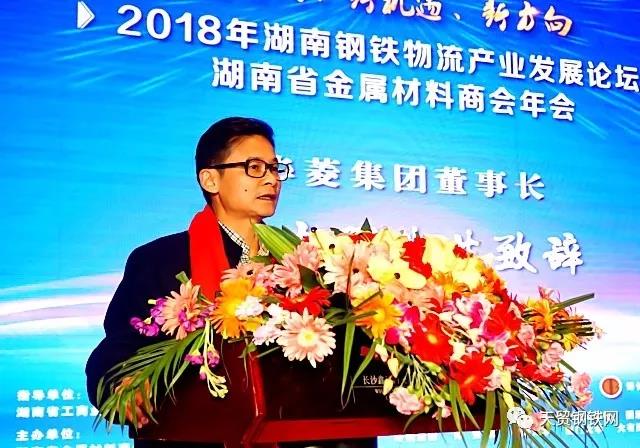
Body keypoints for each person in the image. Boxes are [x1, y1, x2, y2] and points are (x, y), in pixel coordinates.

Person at [86, 117, 289, 447]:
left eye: (275, 168)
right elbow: (119, 351)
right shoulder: (160, 260)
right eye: (254, 167)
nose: (271, 179)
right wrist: (125, 384)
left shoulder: (300, 263)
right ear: (210, 179)